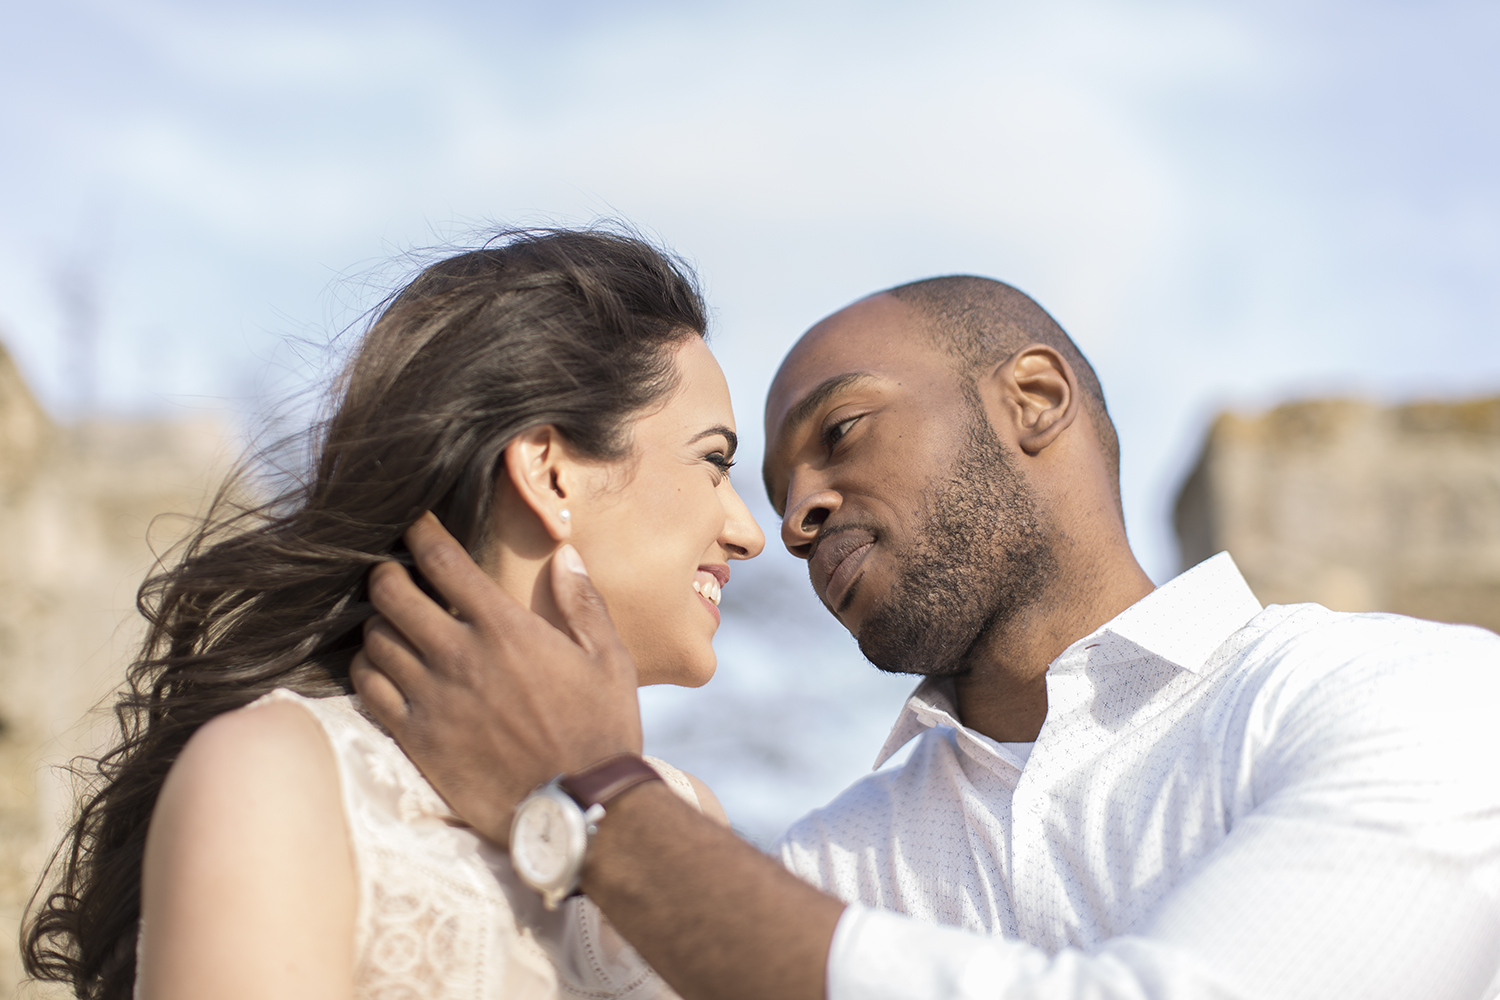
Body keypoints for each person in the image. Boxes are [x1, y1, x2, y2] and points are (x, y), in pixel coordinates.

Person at [351, 278, 1500, 1000]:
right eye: (762, 480)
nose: (789, 519)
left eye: (840, 430)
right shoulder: (821, 867)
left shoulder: (1418, 697)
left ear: (1034, 398)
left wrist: (596, 797)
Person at [23, 227, 766, 1000]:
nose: (747, 533)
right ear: (550, 473)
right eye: (713, 462)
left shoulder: (686, 816)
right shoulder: (282, 778)